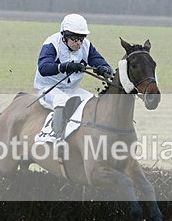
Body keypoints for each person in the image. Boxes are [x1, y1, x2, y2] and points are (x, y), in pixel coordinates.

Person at [33, 14, 114, 152]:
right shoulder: (52, 44)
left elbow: (102, 63)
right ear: (64, 36)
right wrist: (65, 66)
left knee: (92, 100)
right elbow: (43, 68)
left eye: (81, 39)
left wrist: (104, 69)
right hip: (48, 88)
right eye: (75, 39)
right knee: (62, 100)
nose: (79, 43)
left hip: (71, 89)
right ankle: (58, 140)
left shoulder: (86, 46)